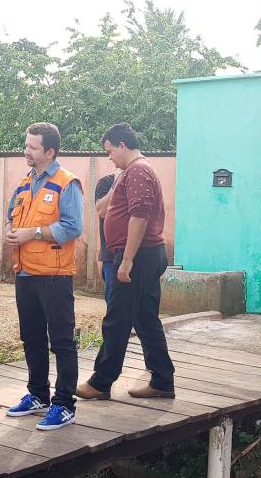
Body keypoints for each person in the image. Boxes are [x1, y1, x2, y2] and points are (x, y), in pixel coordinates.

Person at [76, 123, 175, 401]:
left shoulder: (139, 170)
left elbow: (140, 215)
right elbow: (104, 208)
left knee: (117, 320)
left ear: (122, 145)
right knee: (145, 319)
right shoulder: (131, 171)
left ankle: (101, 382)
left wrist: (127, 259)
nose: (109, 158)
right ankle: (162, 380)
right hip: (145, 254)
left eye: (110, 151)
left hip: (139, 256)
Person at [4, 122, 83, 430]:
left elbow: (73, 227)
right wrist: (13, 234)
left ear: (50, 151)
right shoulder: (25, 182)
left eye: (33, 147)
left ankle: (64, 404)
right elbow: (14, 216)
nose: (27, 151)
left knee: (62, 341)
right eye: (26, 145)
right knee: (32, 337)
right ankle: (38, 394)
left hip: (54, 274)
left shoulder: (67, 183)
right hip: (24, 273)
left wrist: (31, 233)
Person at [94, 172, 117, 303]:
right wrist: (115, 185)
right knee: (114, 305)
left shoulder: (139, 180)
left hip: (139, 255)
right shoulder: (106, 182)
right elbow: (102, 211)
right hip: (111, 257)